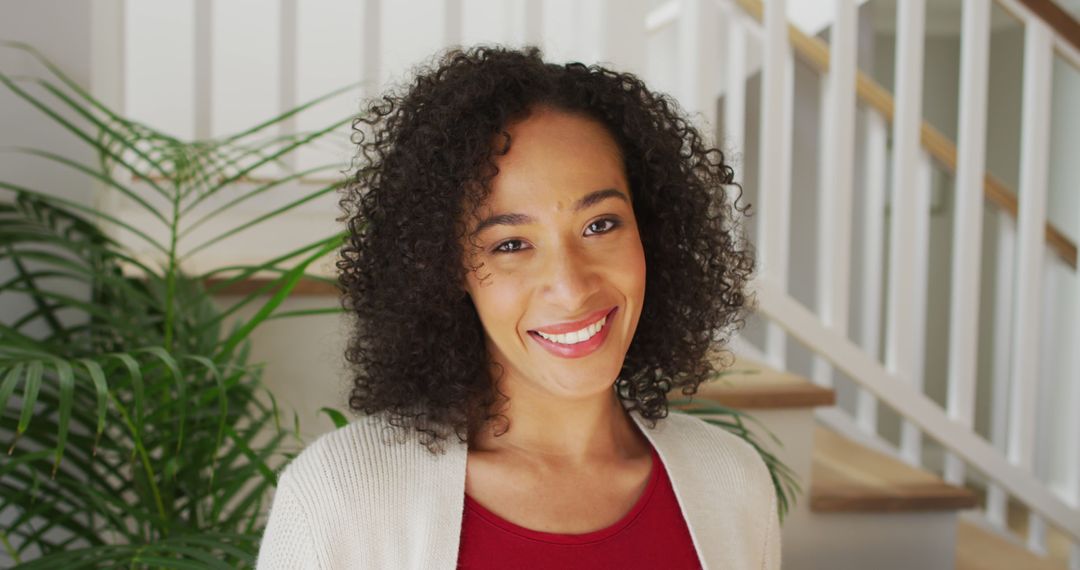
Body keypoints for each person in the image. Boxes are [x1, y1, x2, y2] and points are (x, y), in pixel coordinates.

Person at [256, 45, 780, 569]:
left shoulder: (732, 481)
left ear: (652, 231)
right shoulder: (344, 499)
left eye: (600, 225)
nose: (571, 287)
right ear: (447, 270)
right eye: (510, 245)